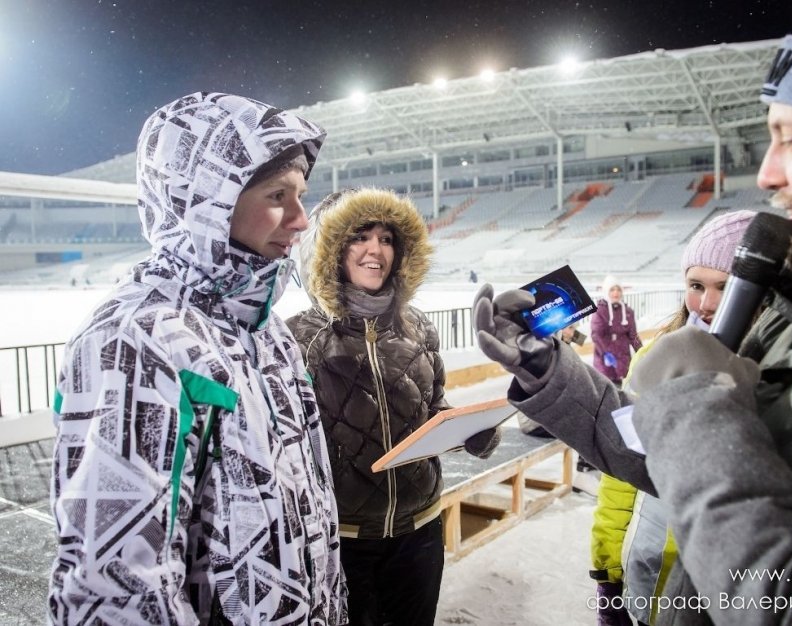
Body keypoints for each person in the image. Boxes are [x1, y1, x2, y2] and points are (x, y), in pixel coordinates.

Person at [472, 0, 792, 621]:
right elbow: (675, 464)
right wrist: (545, 369)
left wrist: (695, 402)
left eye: (790, 139)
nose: (767, 174)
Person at [48, 93, 345, 624]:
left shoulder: (266, 326)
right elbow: (116, 586)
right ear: (205, 202)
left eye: (301, 194)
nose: (301, 220)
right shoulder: (132, 342)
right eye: (278, 196)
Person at [287, 187, 501, 626]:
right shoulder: (295, 339)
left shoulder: (417, 324)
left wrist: (470, 432)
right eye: (360, 236)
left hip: (419, 531)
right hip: (341, 539)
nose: (376, 250)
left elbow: (434, 406)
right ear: (327, 249)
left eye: (386, 239)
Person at [589, 211, 755, 626]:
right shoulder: (656, 357)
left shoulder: (780, 368)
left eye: (726, 287)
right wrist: (607, 567)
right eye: (696, 286)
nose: (707, 303)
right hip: (646, 577)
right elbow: (621, 469)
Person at [591, 276, 642, 388]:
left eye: (618, 289)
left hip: (622, 360)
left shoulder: (628, 312)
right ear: (606, 291)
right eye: (612, 289)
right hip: (605, 361)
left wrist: (642, 352)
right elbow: (596, 335)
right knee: (605, 392)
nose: (616, 293)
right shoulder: (600, 311)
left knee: (620, 391)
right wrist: (606, 354)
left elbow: (633, 336)